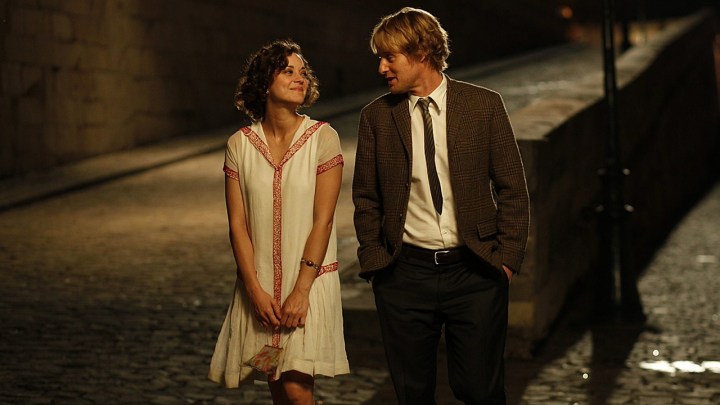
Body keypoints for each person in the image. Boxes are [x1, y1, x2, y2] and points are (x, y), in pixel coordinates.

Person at [352, 8, 530, 405]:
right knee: (412, 394)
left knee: (479, 390)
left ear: (421, 53)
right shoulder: (376, 118)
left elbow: (513, 188)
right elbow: (366, 198)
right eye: (379, 57)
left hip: (475, 270)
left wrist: (507, 260)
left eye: (389, 57)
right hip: (404, 275)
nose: (381, 67)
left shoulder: (483, 106)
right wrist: (378, 263)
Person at [208, 39, 349, 404]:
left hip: (308, 281)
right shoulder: (239, 145)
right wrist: (254, 291)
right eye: (287, 71)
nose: (299, 78)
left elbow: (324, 220)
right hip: (261, 290)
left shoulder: (323, 139)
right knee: (277, 386)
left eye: (303, 73)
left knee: (297, 388)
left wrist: (302, 291)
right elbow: (237, 225)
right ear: (264, 81)